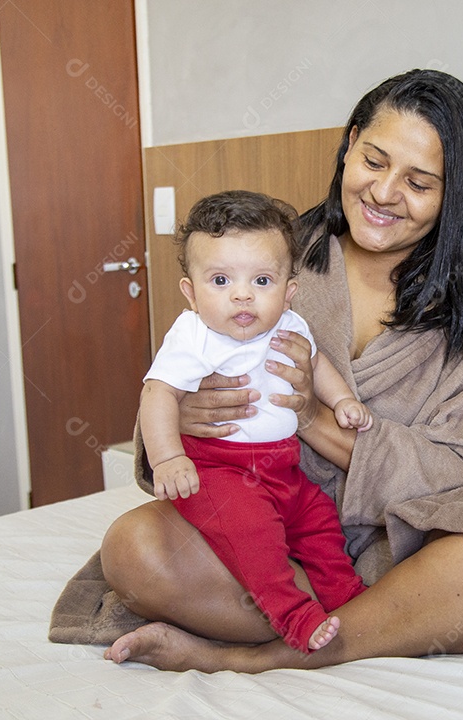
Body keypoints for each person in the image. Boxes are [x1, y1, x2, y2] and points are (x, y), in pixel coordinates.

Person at [96, 68, 463, 672]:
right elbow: (174, 380)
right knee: (134, 548)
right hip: (269, 533)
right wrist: (190, 417)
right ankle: (399, 621)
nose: (383, 193)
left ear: (456, 193)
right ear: (350, 143)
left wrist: (309, 416)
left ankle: (256, 656)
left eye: (419, 182)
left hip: (406, 552)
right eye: (374, 161)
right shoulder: (271, 255)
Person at [139, 190, 371, 653]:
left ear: (288, 292)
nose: (242, 294)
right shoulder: (193, 334)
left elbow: (317, 362)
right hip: (220, 471)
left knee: (322, 524)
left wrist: (342, 400)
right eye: (221, 280)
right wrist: (167, 458)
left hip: (283, 470)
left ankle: (350, 599)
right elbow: (157, 392)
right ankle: (295, 617)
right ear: (190, 291)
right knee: (255, 537)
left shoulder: (290, 323)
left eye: (262, 280)